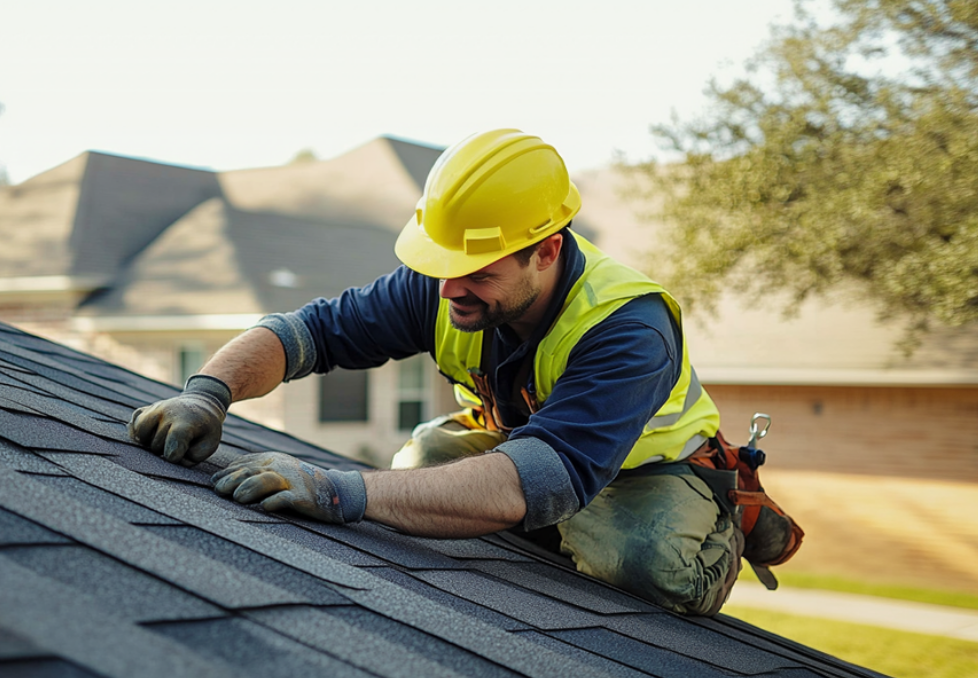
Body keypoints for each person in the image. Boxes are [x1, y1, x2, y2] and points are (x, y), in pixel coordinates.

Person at [129, 129, 744, 616]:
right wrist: (209, 394)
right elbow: (306, 334)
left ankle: (718, 531)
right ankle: (561, 529)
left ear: (547, 251)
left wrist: (340, 491)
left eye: (476, 271)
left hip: (648, 472)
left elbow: (532, 481)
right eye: (443, 264)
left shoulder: (628, 329)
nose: (449, 288)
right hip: (529, 448)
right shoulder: (448, 284)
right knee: (422, 467)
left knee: (646, 563)